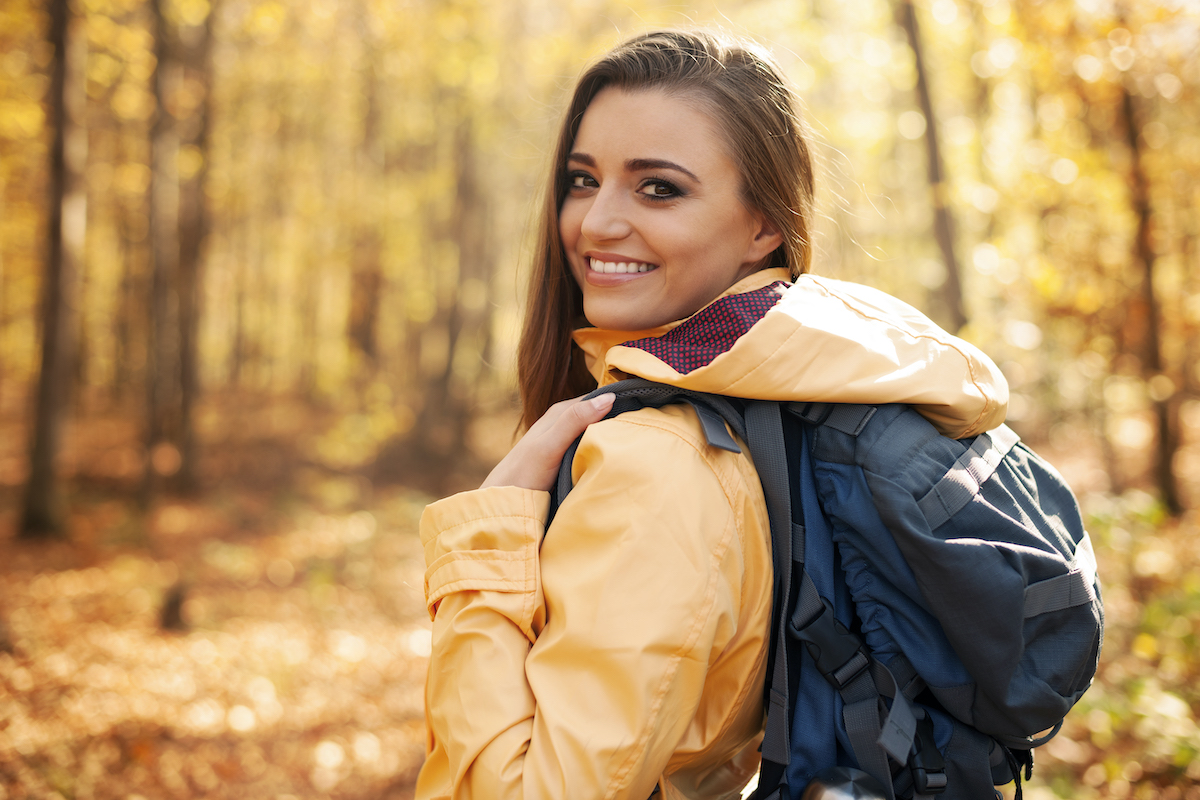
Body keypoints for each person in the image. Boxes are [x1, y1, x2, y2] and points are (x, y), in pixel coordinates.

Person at [416, 29, 1008, 800]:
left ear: (763, 225)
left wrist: (489, 543)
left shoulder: (657, 463)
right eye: (583, 179)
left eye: (658, 187)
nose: (596, 223)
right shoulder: (775, 396)